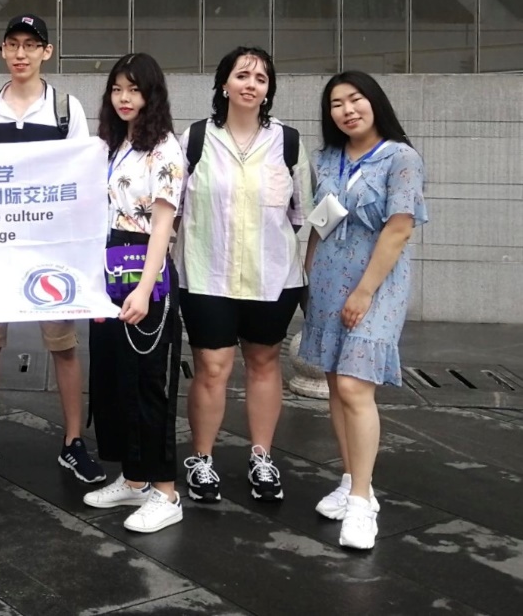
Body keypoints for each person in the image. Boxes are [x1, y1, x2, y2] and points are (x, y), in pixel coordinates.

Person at [0, 14, 102, 484]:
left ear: (46, 52)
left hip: (49, 250)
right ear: (1, 50)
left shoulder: (65, 109)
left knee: (63, 346)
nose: (21, 53)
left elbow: (80, 178)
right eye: (13, 44)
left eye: (31, 45)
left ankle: (73, 441)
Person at [177, 46, 313, 504]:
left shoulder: (288, 142)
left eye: (261, 78)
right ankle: (201, 459)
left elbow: (301, 214)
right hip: (206, 273)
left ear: (269, 89)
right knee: (211, 368)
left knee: (264, 362)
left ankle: (262, 456)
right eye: (242, 75)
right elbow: (174, 208)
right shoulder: (195, 139)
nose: (251, 84)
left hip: (271, 276)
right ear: (224, 84)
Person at [300, 72, 426, 550]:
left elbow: (399, 228)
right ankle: (355, 480)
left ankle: (360, 504)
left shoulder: (401, 158)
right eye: (336, 103)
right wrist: (308, 270)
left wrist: (364, 291)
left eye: (355, 99)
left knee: (355, 385)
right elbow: (322, 220)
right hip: (328, 281)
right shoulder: (327, 158)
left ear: (375, 102)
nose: (347, 110)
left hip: (376, 285)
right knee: (336, 383)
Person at [83, 53, 185, 533]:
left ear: (152, 94)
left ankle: (166, 492)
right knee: (113, 377)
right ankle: (134, 477)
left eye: (134, 89)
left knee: (147, 381)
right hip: (108, 266)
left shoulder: (164, 148)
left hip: (145, 267)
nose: (124, 98)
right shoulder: (112, 144)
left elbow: (163, 225)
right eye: (117, 89)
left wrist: (145, 288)